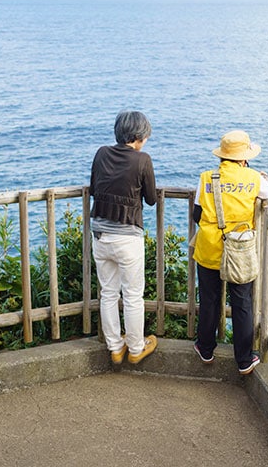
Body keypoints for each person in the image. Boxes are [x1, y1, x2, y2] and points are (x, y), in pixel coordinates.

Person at [192, 130, 268, 374]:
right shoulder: (254, 178)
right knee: (242, 302)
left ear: (223, 156)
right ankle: (244, 360)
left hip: (210, 246)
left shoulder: (206, 178)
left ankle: (205, 348)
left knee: (210, 300)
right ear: (244, 158)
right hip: (239, 249)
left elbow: (196, 215)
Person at [89, 111, 158, 365]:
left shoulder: (101, 153)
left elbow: (95, 188)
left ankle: (115, 348)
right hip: (127, 237)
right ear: (138, 137)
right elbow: (150, 199)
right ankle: (136, 348)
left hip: (100, 234)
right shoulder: (142, 160)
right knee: (132, 296)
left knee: (108, 293)